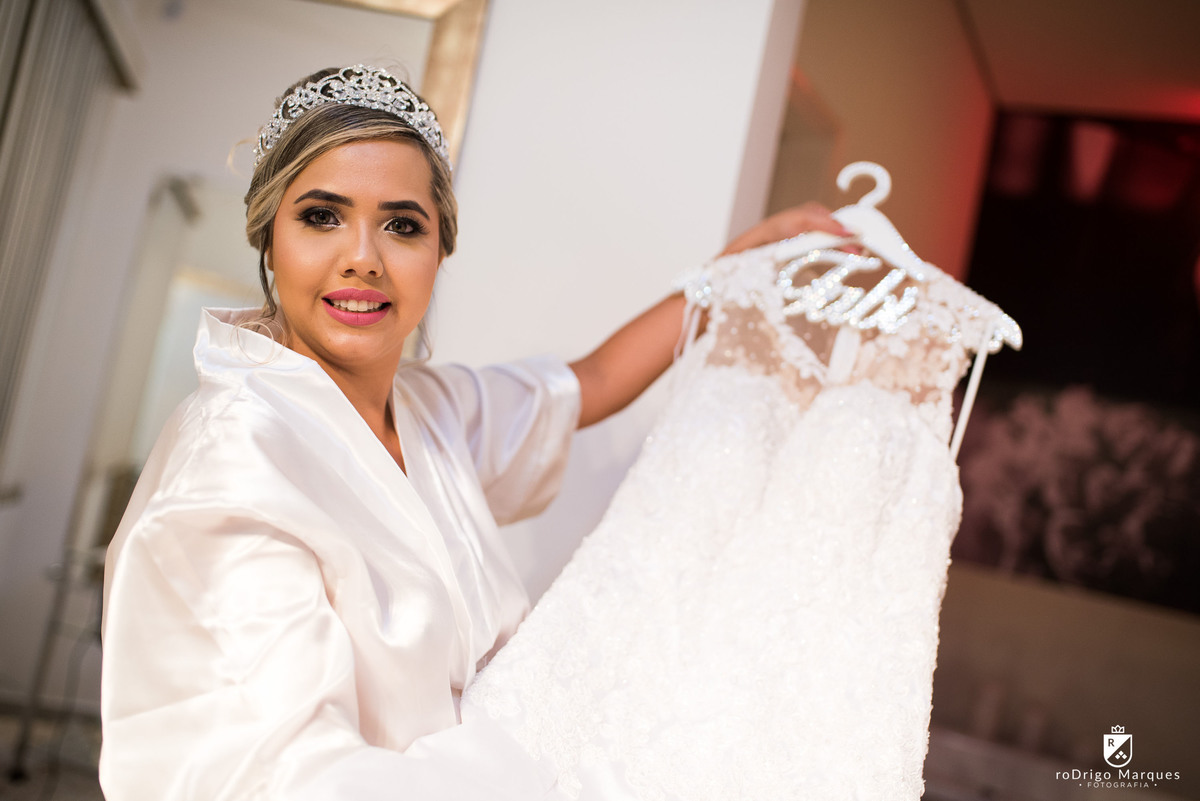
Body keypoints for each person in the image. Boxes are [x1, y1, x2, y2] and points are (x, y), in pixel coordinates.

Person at [98, 65, 846, 800]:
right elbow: (291, 781)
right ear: (268, 237)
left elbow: (591, 382)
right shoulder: (232, 468)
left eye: (402, 225)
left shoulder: (434, 412)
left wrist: (736, 271)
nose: (362, 258)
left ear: (440, 251)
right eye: (322, 216)